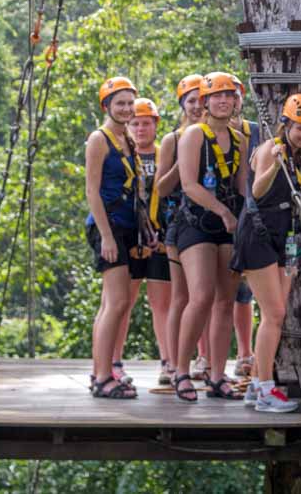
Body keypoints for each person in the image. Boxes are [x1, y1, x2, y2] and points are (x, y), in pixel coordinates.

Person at [231, 93, 301, 413]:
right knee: (274, 315)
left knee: (273, 314)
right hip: (257, 236)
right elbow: (256, 190)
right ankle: (265, 388)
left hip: (283, 239)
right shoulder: (272, 148)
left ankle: (257, 385)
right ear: (286, 124)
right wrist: (275, 165)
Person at [172, 72, 248, 403]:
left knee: (225, 301)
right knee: (201, 295)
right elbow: (189, 185)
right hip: (196, 221)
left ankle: (218, 375)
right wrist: (223, 212)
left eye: (229, 96)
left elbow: (242, 186)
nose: (223, 101)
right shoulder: (192, 136)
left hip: (227, 222)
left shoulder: (239, 140)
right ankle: (181, 370)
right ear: (205, 102)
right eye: (217, 96)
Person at [85, 77, 154, 399]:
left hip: (127, 225)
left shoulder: (125, 137)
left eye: (130, 103)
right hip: (108, 226)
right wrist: (106, 236)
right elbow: (92, 191)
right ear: (107, 106)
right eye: (120, 103)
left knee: (114, 303)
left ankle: (105, 370)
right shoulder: (99, 140)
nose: (126, 109)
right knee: (116, 303)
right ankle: (102, 376)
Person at [155, 74, 213, 385]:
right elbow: (161, 188)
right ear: (182, 105)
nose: (196, 106)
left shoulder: (215, 136)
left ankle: (201, 359)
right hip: (179, 222)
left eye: (201, 100)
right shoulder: (172, 140)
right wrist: (182, 163)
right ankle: (174, 363)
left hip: (209, 224)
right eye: (190, 101)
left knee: (205, 297)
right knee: (182, 296)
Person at [110, 97, 172, 386]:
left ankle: (168, 362)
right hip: (130, 238)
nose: (140, 128)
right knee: (122, 302)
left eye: (146, 123)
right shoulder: (122, 155)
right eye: (135, 123)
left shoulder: (165, 155)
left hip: (159, 239)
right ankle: (114, 361)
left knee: (163, 305)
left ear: (155, 124)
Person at [227, 74, 260, 377]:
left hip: (252, 213)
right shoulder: (205, 134)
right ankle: (208, 358)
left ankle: (247, 353)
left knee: (247, 291)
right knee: (220, 290)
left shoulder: (255, 131)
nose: (230, 102)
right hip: (220, 216)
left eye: (234, 96)